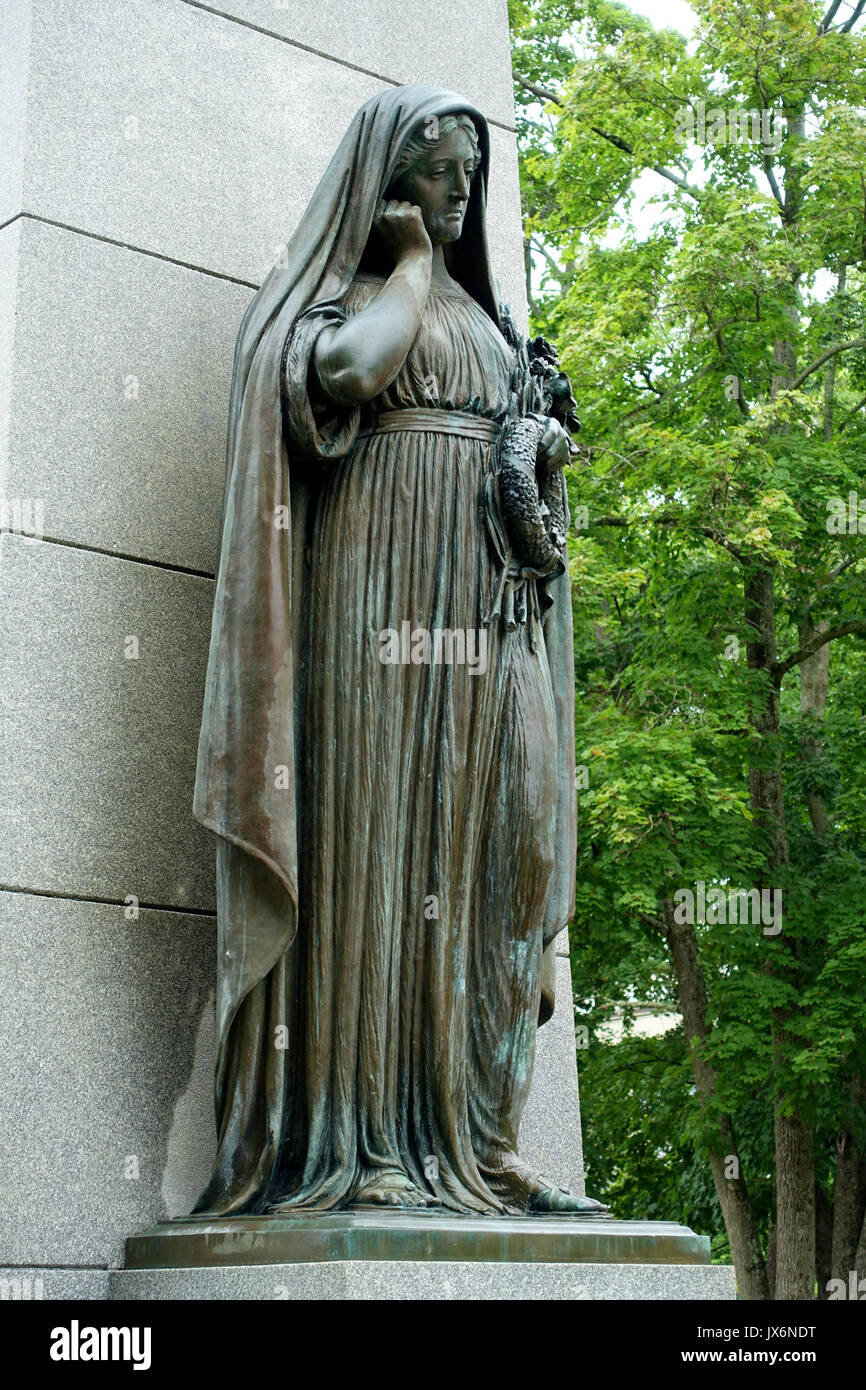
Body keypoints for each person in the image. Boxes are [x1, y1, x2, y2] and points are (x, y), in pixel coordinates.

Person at [192, 84, 604, 1216]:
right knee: (388, 846)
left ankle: (482, 1138)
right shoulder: (344, 301)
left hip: (491, 598)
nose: (462, 188)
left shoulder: (490, 323)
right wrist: (413, 258)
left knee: (513, 851)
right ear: (385, 182)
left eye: (471, 168)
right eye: (437, 167)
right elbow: (350, 374)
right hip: (382, 589)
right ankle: (370, 1139)